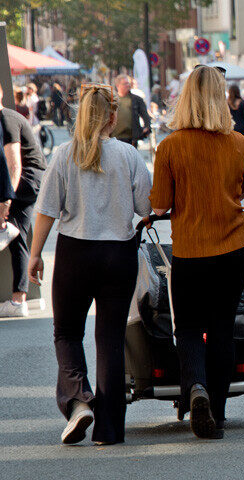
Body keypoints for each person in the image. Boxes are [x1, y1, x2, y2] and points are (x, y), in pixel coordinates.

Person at [30, 83, 151, 445]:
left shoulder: (65, 155)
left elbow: (47, 210)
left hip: (75, 253)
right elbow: (146, 208)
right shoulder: (128, 155)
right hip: (118, 254)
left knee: (67, 332)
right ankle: (109, 430)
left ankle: (79, 400)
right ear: (113, 118)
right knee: (110, 338)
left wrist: (35, 255)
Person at [150, 65, 244, 440]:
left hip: (191, 251)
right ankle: (220, 414)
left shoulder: (171, 146)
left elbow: (160, 204)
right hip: (233, 246)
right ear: (222, 96)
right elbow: (243, 191)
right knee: (222, 326)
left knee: (189, 327)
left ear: (186, 97)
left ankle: (196, 388)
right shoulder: (240, 143)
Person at [0, 85, 48, 318]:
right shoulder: (7, 118)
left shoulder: (6, 119)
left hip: (26, 180)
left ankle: (19, 300)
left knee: (13, 233)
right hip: (29, 179)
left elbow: (14, 164)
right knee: (16, 235)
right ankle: (19, 299)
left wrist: (7, 199)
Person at [112, 75, 152, 147]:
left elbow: (145, 115)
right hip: (115, 138)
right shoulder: (112, 100)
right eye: (125, 83)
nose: (128, 85)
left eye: (128, 83)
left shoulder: (137, 99)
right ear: (118, 85)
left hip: (131, 138)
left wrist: (147, 127)